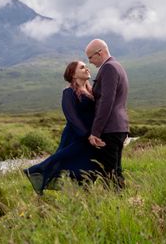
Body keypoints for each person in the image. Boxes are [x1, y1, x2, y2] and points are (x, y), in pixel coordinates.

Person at [23, 61, 105, 195]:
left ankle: (85, 194)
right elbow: (71, 117)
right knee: (69, 164)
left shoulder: (92, 91)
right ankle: (36, 172)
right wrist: (86, 135)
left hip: (91, 137)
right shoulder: (69, 92)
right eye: (82, 67)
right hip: (76, 137)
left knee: (90, 167)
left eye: (86, 66)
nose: (86, 68)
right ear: (73, 74)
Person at [85, 39, 129, 189]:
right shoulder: (117, 66)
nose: (89, 62)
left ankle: (115, 205)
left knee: (108, 173)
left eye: (90, 57)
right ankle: (123, 203)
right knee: (115, 170)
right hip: (119, 126)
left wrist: (95, 132)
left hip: (110, 128)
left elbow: (106, 102)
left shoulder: (109, 68)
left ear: (100, 52)